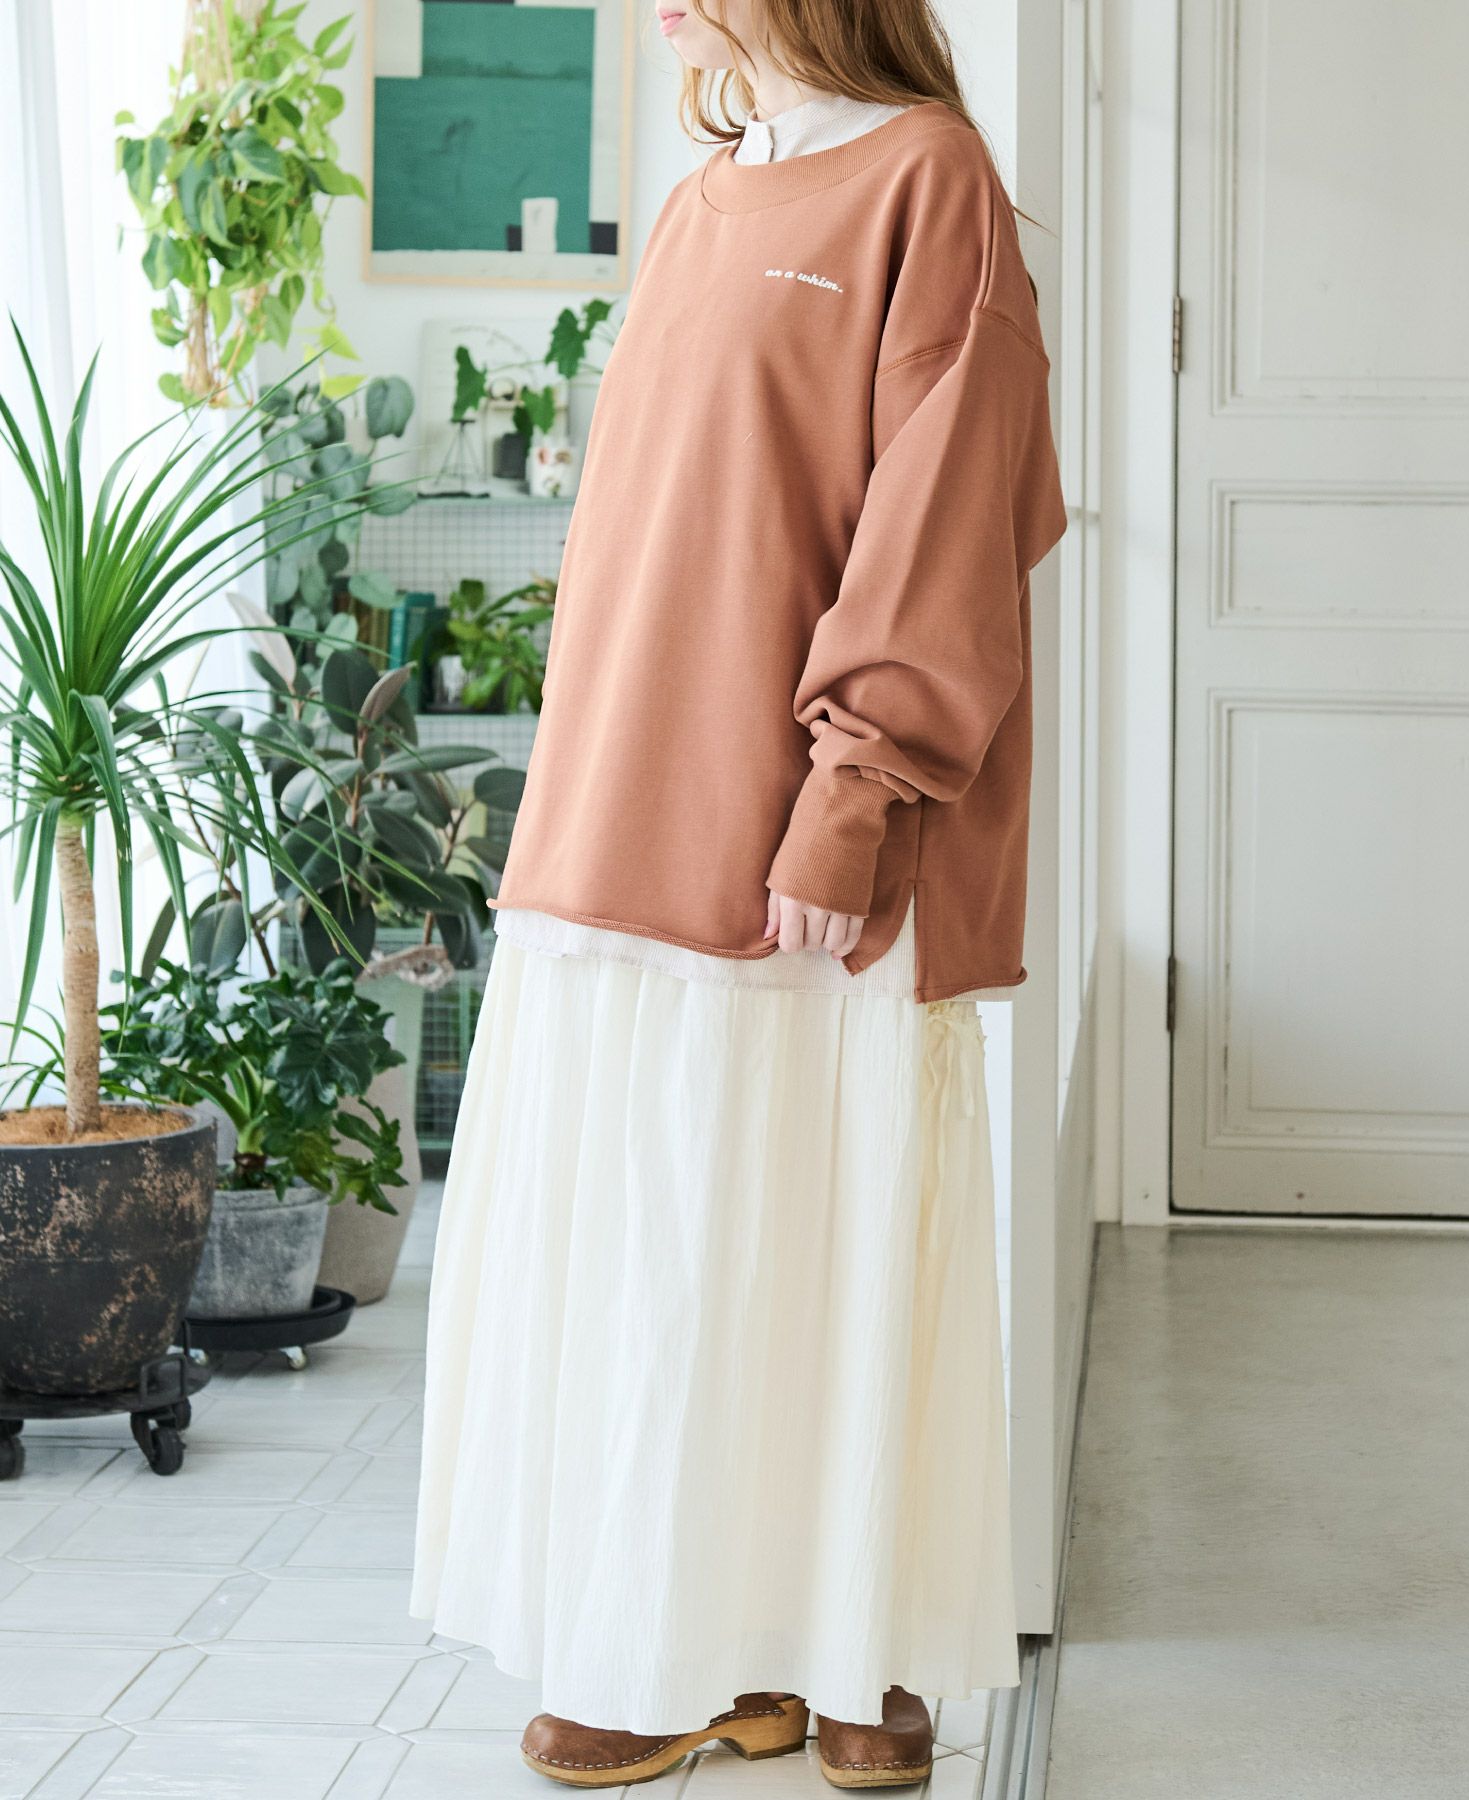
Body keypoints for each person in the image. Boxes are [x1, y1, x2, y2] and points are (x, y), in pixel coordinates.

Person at [410, 0, 1066, 1786]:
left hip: (813, 839)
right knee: (666, 1250)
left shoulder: (929, 179)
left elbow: (950, 518)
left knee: (828, 1238)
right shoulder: (703, 200)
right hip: (626, 798)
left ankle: (854, 1655)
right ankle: (690, 1649)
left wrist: (851, 800)